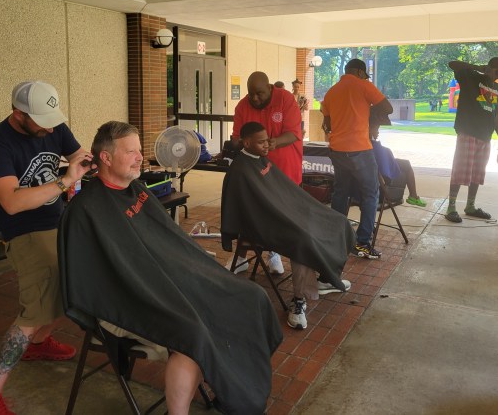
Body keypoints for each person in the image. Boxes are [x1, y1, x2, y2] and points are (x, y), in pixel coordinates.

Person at [58, 121, 282, 415]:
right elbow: (95, 280)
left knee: (250, 297)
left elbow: (166, 243)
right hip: (127, 298)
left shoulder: (136, 189)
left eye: (140, 150)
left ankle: (233, 385)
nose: (140, 157)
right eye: (131, 152)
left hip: (166, 282)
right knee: (192, 334)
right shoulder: (85, 209)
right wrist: (155, 288)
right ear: (106, 158)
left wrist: (192, 272)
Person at [0, 81, 93, 415]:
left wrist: (83, 166)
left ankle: (38, 343)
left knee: (76, 285)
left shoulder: (52, 123)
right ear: (18, 113)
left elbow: (78, 155)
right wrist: (65, 181)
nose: (51, 127)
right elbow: (10, 202)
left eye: (53, 119)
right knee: (36, 308)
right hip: (24, 230)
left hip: (58, 219)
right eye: (42, 120)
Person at [221, 122, 353, 330]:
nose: (267, 145)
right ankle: (298, 301)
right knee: (302, 238)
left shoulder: (260, 160)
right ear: (246, 143)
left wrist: (296, 208)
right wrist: (285, 215)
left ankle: (327, 277)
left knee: (337, 221)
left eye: (267, 140)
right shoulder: (240, 170)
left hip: (280, 213)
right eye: (261, 142)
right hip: (261, 224)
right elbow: (247, 209)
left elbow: (281, 190)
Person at [230, 71, 303, 275]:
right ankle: (242, 258)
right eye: (251, 94)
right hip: (254, 173)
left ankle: (274, 254)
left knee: (280, 217)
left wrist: (273, 143)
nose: (254, 98)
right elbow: (236, 137)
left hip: (284, 171)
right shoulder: (243, 106)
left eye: (259, 93)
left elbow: (294, 134)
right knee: (249, 213)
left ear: (270, 87)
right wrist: (240, 143)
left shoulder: (286, 99)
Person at [321, 58, 393, 259]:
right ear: (360, 72)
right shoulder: (363, 86)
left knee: (340, 193)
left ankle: (337, 237)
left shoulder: (332, 91)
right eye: (364, 74)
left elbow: (327, 122)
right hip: (360, 150)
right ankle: (362, 243)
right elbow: (388, 108)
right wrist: (370, 116)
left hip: (337, 150)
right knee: (370, 194)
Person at [444, 58, 498, 223]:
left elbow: (495, 114)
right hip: (468, 130)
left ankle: (470, 206)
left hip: (485, 135)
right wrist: (479, 67)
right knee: (460, 171)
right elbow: (452, 63)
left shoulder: (496, 87)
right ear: (490, 67)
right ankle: (451, 208)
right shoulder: (471, 76)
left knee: (477, 173)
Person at [369, 122, 426, 207]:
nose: (378, 132)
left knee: (404, 164)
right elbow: (388, 171)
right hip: (378, 194)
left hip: (355, 194)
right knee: (406, 165)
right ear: (368, 130)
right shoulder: (382, 150)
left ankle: (413, 195)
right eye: (376, 129)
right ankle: (413, 195)